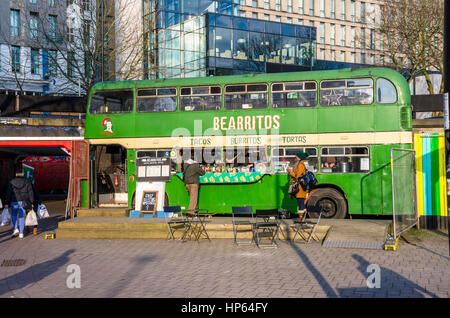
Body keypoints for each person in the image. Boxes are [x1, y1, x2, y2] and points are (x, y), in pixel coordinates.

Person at [4, 170, 35, 239]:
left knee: (14, 215)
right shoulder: (27, 182)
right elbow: (30, 192)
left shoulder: (11, 182)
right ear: (23, 174)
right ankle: (21, 233)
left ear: (16, 174)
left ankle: (15, 229)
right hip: (24, 202)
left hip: (14, 201)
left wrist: (6, 202)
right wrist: (32, 202)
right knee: (21, 217)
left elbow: (8, 193)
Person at [287, 151, 309, 222]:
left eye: (296, 156)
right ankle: (303, 217)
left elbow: (297, 176)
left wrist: (290, 172)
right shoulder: (299, 164)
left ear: (299, 158)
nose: (295, 157)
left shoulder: (300, 165)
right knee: (301, 202)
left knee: (300, 202)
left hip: (300, 187)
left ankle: (301, 218)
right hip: (299, 187)